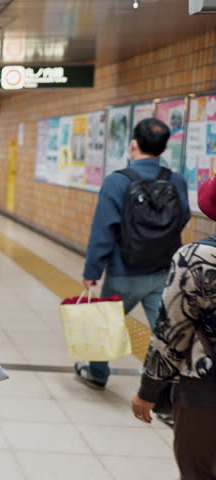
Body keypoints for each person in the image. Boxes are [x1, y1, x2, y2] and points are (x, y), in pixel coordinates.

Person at [75, 118, 190, 389]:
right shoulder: (176, 181)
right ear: (163, 149)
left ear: (133, 144)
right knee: (163, 331)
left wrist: (92, 272)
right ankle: (167, 386)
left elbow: (103, 231)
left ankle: (97, 374)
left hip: (123, 271)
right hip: (163, 271)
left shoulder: (117, 181)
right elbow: (182, 217)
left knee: (106, 326)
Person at [132, 177, 216, 479]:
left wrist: (148, 390)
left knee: (199, 471)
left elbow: (172, 333)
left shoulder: (195, 260)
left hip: (205, 389)